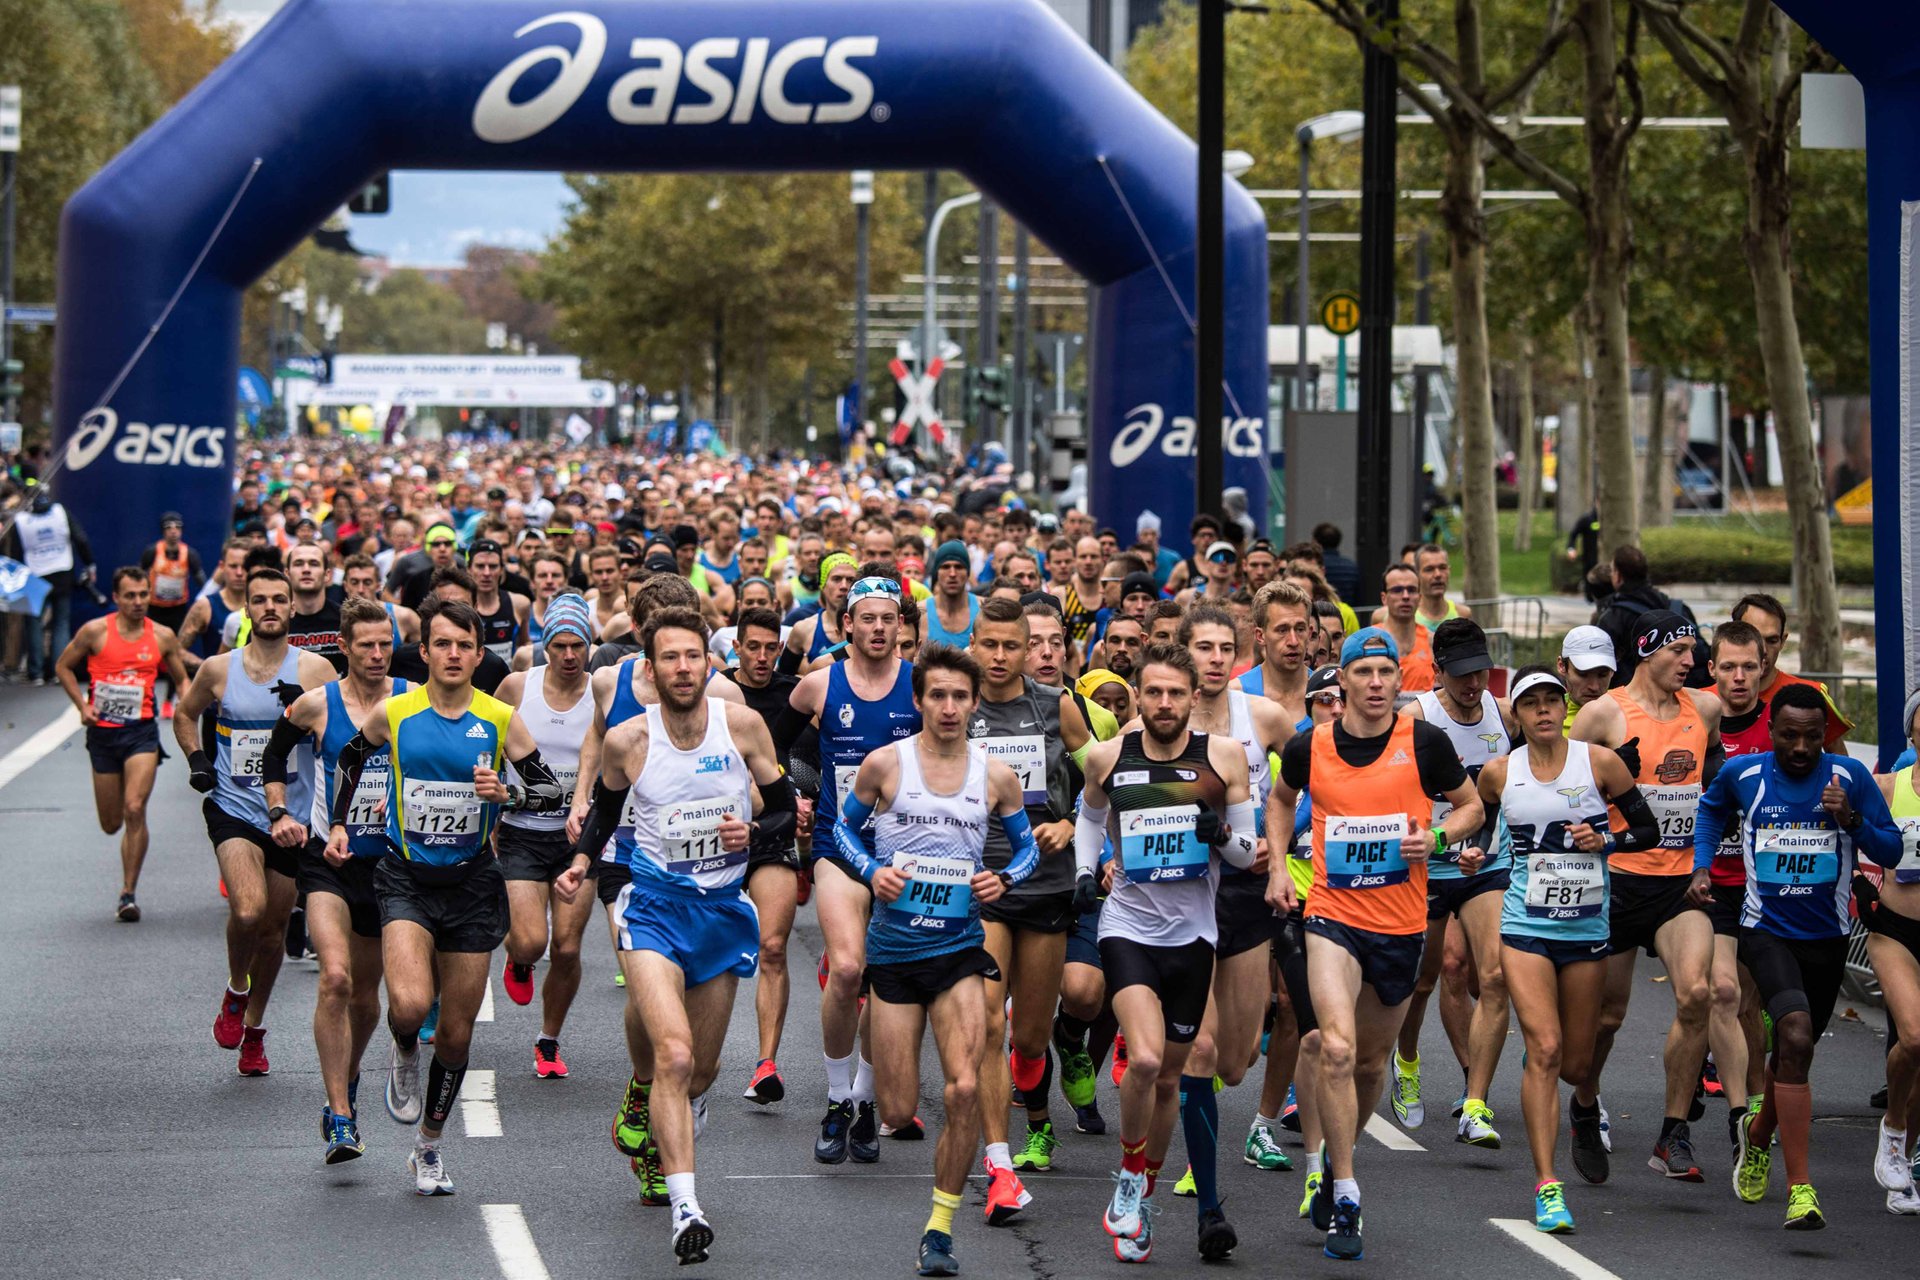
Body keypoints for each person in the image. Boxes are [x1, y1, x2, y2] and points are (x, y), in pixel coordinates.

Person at [556, 606, 792, 1265]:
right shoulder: (628, 739)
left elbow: (782, 813)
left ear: (707, 663)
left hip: (720, 911)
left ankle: (648, 1105)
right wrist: (579, 863)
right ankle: (687, 1206)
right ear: (651, 671)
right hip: (652, 907)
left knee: (703, 1070)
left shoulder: (741, 725)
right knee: (677, 1055)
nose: (683, 668)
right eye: (670, 659)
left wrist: (758, 833)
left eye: (693, 656)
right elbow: (605, 810)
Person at [324, 596, 568, 1196]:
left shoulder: (499, 718)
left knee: (457, 1036)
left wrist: (505, 795)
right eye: (442, 644)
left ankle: (428, 1149)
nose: (453, 654)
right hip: (406, 874)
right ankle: (404, 1048)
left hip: (473, 882)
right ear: (425, 651)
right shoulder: (397, 712)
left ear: (478, 654)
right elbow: (351, 760)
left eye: (465, 645)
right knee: (408, 1006)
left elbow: (548, 793)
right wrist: (338, 822)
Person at [1265, 627, 1484, 1261]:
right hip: (1333, 916)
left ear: (1398, 679)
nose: (1377, 683)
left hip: (1400, 923)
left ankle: (1338, 1162)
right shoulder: (1313, 745)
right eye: (1364, 673)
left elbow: (1470, 807)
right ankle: (1349, 1193)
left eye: (1387, 672)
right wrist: (1279, 867)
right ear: (1345, 681)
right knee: (1334, 1047)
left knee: (1367, 1064)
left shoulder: (1425, 741)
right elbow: (1281, 803)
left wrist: (1438, 840)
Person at [833, 644, 1037, 1276]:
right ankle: (864, 1094)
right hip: (894, 954)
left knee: (966, 1085)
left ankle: (940, 1227)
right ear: (919, 700)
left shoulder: (995, 775)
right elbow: (841, 832)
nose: (948, 707)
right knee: (898, 1109)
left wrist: (1002, 881)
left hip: (958, 952)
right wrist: (871, 871)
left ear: (974, 705)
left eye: (960, 697)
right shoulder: (884, 766)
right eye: (937, 695)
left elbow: (1027, 854)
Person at [1074, 643, 1261, 1263]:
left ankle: (1144, 1196)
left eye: (1174, 693)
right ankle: (1130, 1175)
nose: (1162, 703)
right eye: (1152, 692)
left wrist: (1223, 835)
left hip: (1194, 937)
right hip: (1127, 927)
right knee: (1148, 1061)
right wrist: (1084, 871)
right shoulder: (1108, 757)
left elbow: (1245, 854)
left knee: (1174, 1077)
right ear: (1139, 695)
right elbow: (1090, 817)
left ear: (1193, 697)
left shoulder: (1224, 758)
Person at [1698, 683, 1904, 1228]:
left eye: (1811, 737)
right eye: (1788, 735)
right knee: (1791, 1034)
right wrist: (1700, 868)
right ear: (1772, 732)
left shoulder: (1850, 778)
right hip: (1765, 931)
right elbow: (1710, 810)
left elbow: (1892, 848)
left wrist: (1853, 822)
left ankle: (1757, 1134)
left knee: (1798, 1051)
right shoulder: (1745, 776)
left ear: (1823, 736)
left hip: (1829, 938)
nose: (1799, 747)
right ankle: (1801, 1189)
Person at [1483, 665, 1658, 1233]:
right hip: (1525, 927)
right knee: (1547, 1048)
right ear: (1516, 714)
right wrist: (1471, 857)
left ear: (1565, 708)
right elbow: (1486, 839)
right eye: (1530, 703)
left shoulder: (1598, 763)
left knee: (1578, 1061)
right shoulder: (1497, 774)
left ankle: (1583, 1106)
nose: (1542, 711)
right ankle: (1547, 1185)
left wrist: (1605, 839)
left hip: (1585, 929)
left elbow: (1648, 831)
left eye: (1551, 701)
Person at [1569, 610, 1731, 1186]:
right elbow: (1560, 785)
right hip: (1614, 880)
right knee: (1606, 1016)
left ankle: (1671, 1135)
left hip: (1677, 884)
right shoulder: (1604, 713)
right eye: (1681, 651)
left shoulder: (1704, 710)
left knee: (1697, 995)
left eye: (1694, 651)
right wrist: (1612, 778)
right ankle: (1585, 1106)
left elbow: (1708, 782)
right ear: (1648, 652)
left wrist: (1704, 849)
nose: (1693, 661)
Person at [777, 574, 919, 1163]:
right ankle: (838, 1098)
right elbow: (776, 748)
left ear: (901, 627)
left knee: (887, 984)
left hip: (907, 852)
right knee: (847, 970)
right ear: (848, 625)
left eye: (890, 618)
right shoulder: (817, 687)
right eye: (869, 618)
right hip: (840, 845)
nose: (880, 628)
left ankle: (863, 1096)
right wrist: (796, 794)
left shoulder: (921, 687)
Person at [174, 567, 337, 1076]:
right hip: (235, 808)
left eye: (278, 600)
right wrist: (198, 760)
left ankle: (255, 1029)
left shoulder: (316, 671)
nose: (269, 607)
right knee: (248, 910)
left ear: (293, 609)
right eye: (259, 600)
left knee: (272, 933)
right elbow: (184, 715)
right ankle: (235, 989)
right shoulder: (219, 669)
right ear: (246, 609)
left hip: (293, 819)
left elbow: (337, 736)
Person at [261, 597, 406, 1164]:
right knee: (336, 979)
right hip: (329, 859)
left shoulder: (409, 704)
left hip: (388, 863)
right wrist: (280, 813)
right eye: (365, 645)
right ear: (342, 647)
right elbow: (273, 757)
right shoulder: (317, 705)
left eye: (384, 645)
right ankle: (341, 1114)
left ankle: (346, 1083)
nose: (376, 654)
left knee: (369, 1000)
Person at [965, 598, 1092, 1220]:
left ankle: (1038, 1118)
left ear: (1027, 649)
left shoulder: (1054, 705)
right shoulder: (956, 705)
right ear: (973, 644)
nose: (999, 657)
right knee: (989, 1021)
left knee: (1031, 1033)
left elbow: (1104, 774)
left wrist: (1071, 822)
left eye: (1010, 646)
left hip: (1045, 883)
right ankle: (998, 1159)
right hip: (980, 885)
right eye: (987, 645)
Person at [1168, 603, 1295, 1198]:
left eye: (1224, 649)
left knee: (1236, 1061)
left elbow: (1308, 784)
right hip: (1180, 885)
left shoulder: (1263, 716)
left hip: (1246, 886)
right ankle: (1199, 1162)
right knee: (1203, 1047)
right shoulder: (1160, 716)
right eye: (1203, 649)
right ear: (1184, 652)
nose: (1215, 660)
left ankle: (1206, 1113)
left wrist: (1285, 845)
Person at [1393, 619, 1516, 1146]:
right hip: (1427, 865)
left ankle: (1475, 1099)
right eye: (1462, 674)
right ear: (1437, 671)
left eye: (1482, 673)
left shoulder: (1503, 713)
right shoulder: (1416, 718)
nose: (1474, 685)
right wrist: (1440, 840)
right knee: (1424, 979)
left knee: (1490, 975)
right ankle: (1407, 1060)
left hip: (1485, 864)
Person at [492, 594, 597, 1076]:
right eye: (560, 646)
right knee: (532, 942)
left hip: (579, 838)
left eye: (579, 645)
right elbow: (488, 744)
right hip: (522, 831)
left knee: (569, 947)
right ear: (545, 646)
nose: (570, 655)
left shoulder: (604, 693)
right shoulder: (518, 685)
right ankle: (518, 959)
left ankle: (548, 1040)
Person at [55, 566, 191, 921]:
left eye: (143, 594)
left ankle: (128, 893)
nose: (138, 602)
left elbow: (182, 680)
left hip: (141, 733)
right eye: (130, 595)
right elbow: (63, 667)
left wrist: (187, 711)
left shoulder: (161, 636)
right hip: (102, 734)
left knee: (134, 808)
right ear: (115, 598)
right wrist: (83, 707)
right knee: (111, 822)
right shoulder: (95, 632)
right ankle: (127, 885)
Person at [720, 606, 804, 1104]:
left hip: (770, 830)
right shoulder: (713, 693)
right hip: (716, 835)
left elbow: (808, 754)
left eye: (771, 647)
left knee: (773, 946)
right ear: (735, 648)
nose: (762, 656)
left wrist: (805, 791)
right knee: (713, 953)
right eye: (752, 646)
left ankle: (765, 1064)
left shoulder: (790, 695)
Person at [1868, 691, 1920, 1215]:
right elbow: (1854, 844)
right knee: (1916, 1035)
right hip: (1895, 930)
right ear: (1913, 729)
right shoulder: (1888, 787)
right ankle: (1895, 1127)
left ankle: (1904, 1154)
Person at [1728, 592, 1854, 746]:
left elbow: (1842, 765)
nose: (1764, 650)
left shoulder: (1811, 696)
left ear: (1782, 641)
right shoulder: (1704, 700)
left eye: (1772, 640)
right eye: (1753, 638)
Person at [6, 483, 94, 685]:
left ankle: (36, 672)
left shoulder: (21, 520)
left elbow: (16, 554)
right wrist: (90, 563)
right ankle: (57, 671)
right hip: (62, 573)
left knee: (33, 624)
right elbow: (80, 539)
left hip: (34, 575)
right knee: (60, 623)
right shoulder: (59, 512)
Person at [140, 511, 203, 708]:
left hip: (178, 611)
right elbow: (139, 578)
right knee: (148, 654)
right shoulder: (153, 552)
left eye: (177, 527)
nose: (173, 532)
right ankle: (145, 697)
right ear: (163, 532)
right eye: (169, 528)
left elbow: (202, 580)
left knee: (174, 656)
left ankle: (169, 700)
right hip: (155, 610)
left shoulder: (189, 554)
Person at [1237, 581, 1313, 725]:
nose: (1293, 641)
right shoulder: (1236, 694)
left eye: (1300, 629)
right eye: (1282, 630)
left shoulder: (1326, 694)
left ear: (1310, 633)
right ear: (1260, 636)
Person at [783, 552, 857, 673]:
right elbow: (783, 677)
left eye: (850, 580)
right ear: (822, 585)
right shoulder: (804, 629)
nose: (844, 586)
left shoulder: (867, 628)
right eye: (836, 579)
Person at [178, 539, 250, 661]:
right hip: (218, 679)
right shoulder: (205, 606)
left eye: (244, 567)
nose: (239, 573)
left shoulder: (264, 604)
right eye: (233, 566)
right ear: (222, 567)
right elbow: (177, 650)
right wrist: (206, 668)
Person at [1376, 562, 1435, 702]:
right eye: (1397, 590)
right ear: (1384, 598)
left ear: (1420, 598)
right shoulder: (1370, 640)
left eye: (1412, 590)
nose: (1406, 596)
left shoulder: (1432, 641)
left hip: (1423, 721)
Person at [469, 539, 529, 664]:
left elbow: (525, 645)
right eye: (480, 566)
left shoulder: (519, 604)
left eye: (493, 566)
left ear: (502, 569)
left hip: (507, 679)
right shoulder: (460, 606)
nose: (487, 573)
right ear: (469, 569)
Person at [1558, 625, 1617, 732]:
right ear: (1562, 666)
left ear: (1612, 671)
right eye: (1583, 674)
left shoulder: (1629, 713)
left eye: (1602, 675)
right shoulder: (1546, 718)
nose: (1594, 687)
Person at [925, 540, 981, 649]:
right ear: (937, 572)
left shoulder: (983, 609)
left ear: (968, 573)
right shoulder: (921, 613)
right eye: (945, 567)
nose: (952, 574)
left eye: (959, 567)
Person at [1313, 522, 1361, 604]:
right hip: (1347, 613)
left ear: (1317, 542)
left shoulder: (1314, 566)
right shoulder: (1352, 567)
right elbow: (1359, 598)